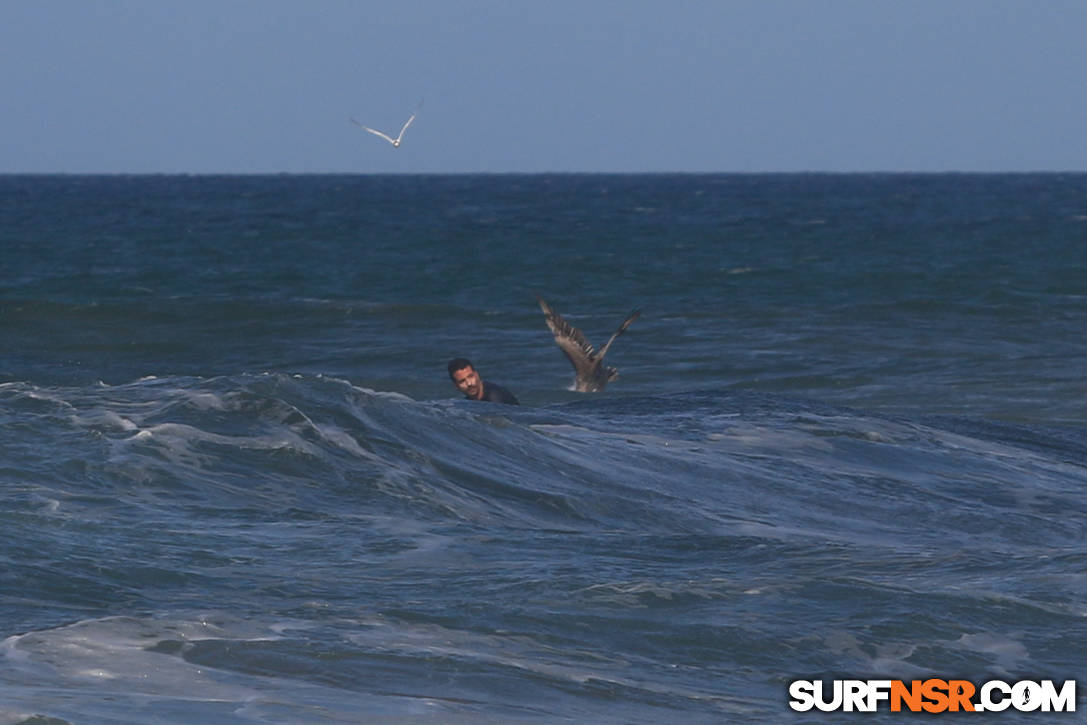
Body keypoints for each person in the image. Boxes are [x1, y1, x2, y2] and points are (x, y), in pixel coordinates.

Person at [447, 358, 519, 405]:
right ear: (456, 386)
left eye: (470, 376)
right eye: (462, 381)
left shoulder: (495, 398)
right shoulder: (469, 401)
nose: (469, 383)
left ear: (477, 374)